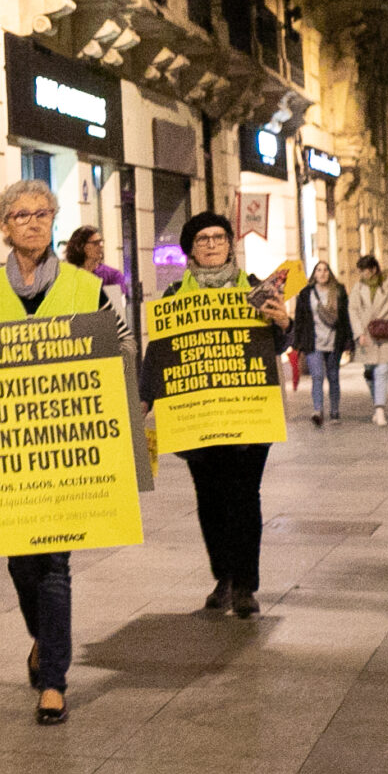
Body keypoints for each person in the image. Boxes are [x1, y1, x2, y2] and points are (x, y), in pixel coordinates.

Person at [0, 179, 133, 725]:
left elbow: (123, 343)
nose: (32, 223)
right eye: (20, 215)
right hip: (9, 452)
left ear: (54, 222)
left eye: (42, 214)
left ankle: (54, 680)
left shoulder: (87, 287)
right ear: (5, 227)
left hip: (67, 449)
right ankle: (44, 640)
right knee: (21, 565)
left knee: (55, 563)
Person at [154, 213, 290, 617]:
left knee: (245, 498)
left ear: (231, 244)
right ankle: (224, 577)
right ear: (190, 249)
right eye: (202, 239)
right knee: (210, 500)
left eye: (218, 237)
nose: (212, 245)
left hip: (248, 416)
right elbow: (161, 352)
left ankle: (246, 584)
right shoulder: (176, 295)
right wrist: (146, 398)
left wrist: (283, 321)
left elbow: (280, 340)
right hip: (198, 417)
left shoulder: (254, 289)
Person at [290, 259, 355, 426]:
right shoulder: (306, 293)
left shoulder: (339, 291)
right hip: (313, 342)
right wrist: (296, 343)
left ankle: (334, 411)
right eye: (319, 270)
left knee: (333, 377)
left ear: (329, 273)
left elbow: (345, 318)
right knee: (317, 376)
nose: (322, 273)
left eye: (325, 270)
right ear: (314, 274)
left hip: (334, 341)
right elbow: (300, 319)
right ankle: (317, 410)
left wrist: (349, 341)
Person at [350, 254, 388, 425]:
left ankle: (380, 408)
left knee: (382, 371)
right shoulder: (358, 288)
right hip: (366, 335)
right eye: (360, 271)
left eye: (364, 271)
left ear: (373, 269)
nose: (362, 274)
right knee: (369, 373)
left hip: (386, 334)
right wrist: (358, 333)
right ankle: (377, 403)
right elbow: (353, 311)